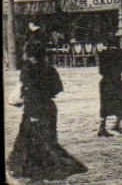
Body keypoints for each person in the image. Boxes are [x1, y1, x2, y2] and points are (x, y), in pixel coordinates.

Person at [8, 43, 87, 180]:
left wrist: (32, 112)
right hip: (49, 108)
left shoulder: (29, 70)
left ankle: (34, 173)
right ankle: (48, 171)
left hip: (34, 108)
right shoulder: (50, 69)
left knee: (30, 142)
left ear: (29, 54)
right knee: (48, 141)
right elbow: (57, 89)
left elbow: (30, 92)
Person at [97, 35, 122, 137]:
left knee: (105, 105)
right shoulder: (119, 53)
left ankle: (102, 128)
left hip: (104, 81)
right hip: (116, 81)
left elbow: (100, 70)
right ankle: (116, 124)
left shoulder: (102, 54)